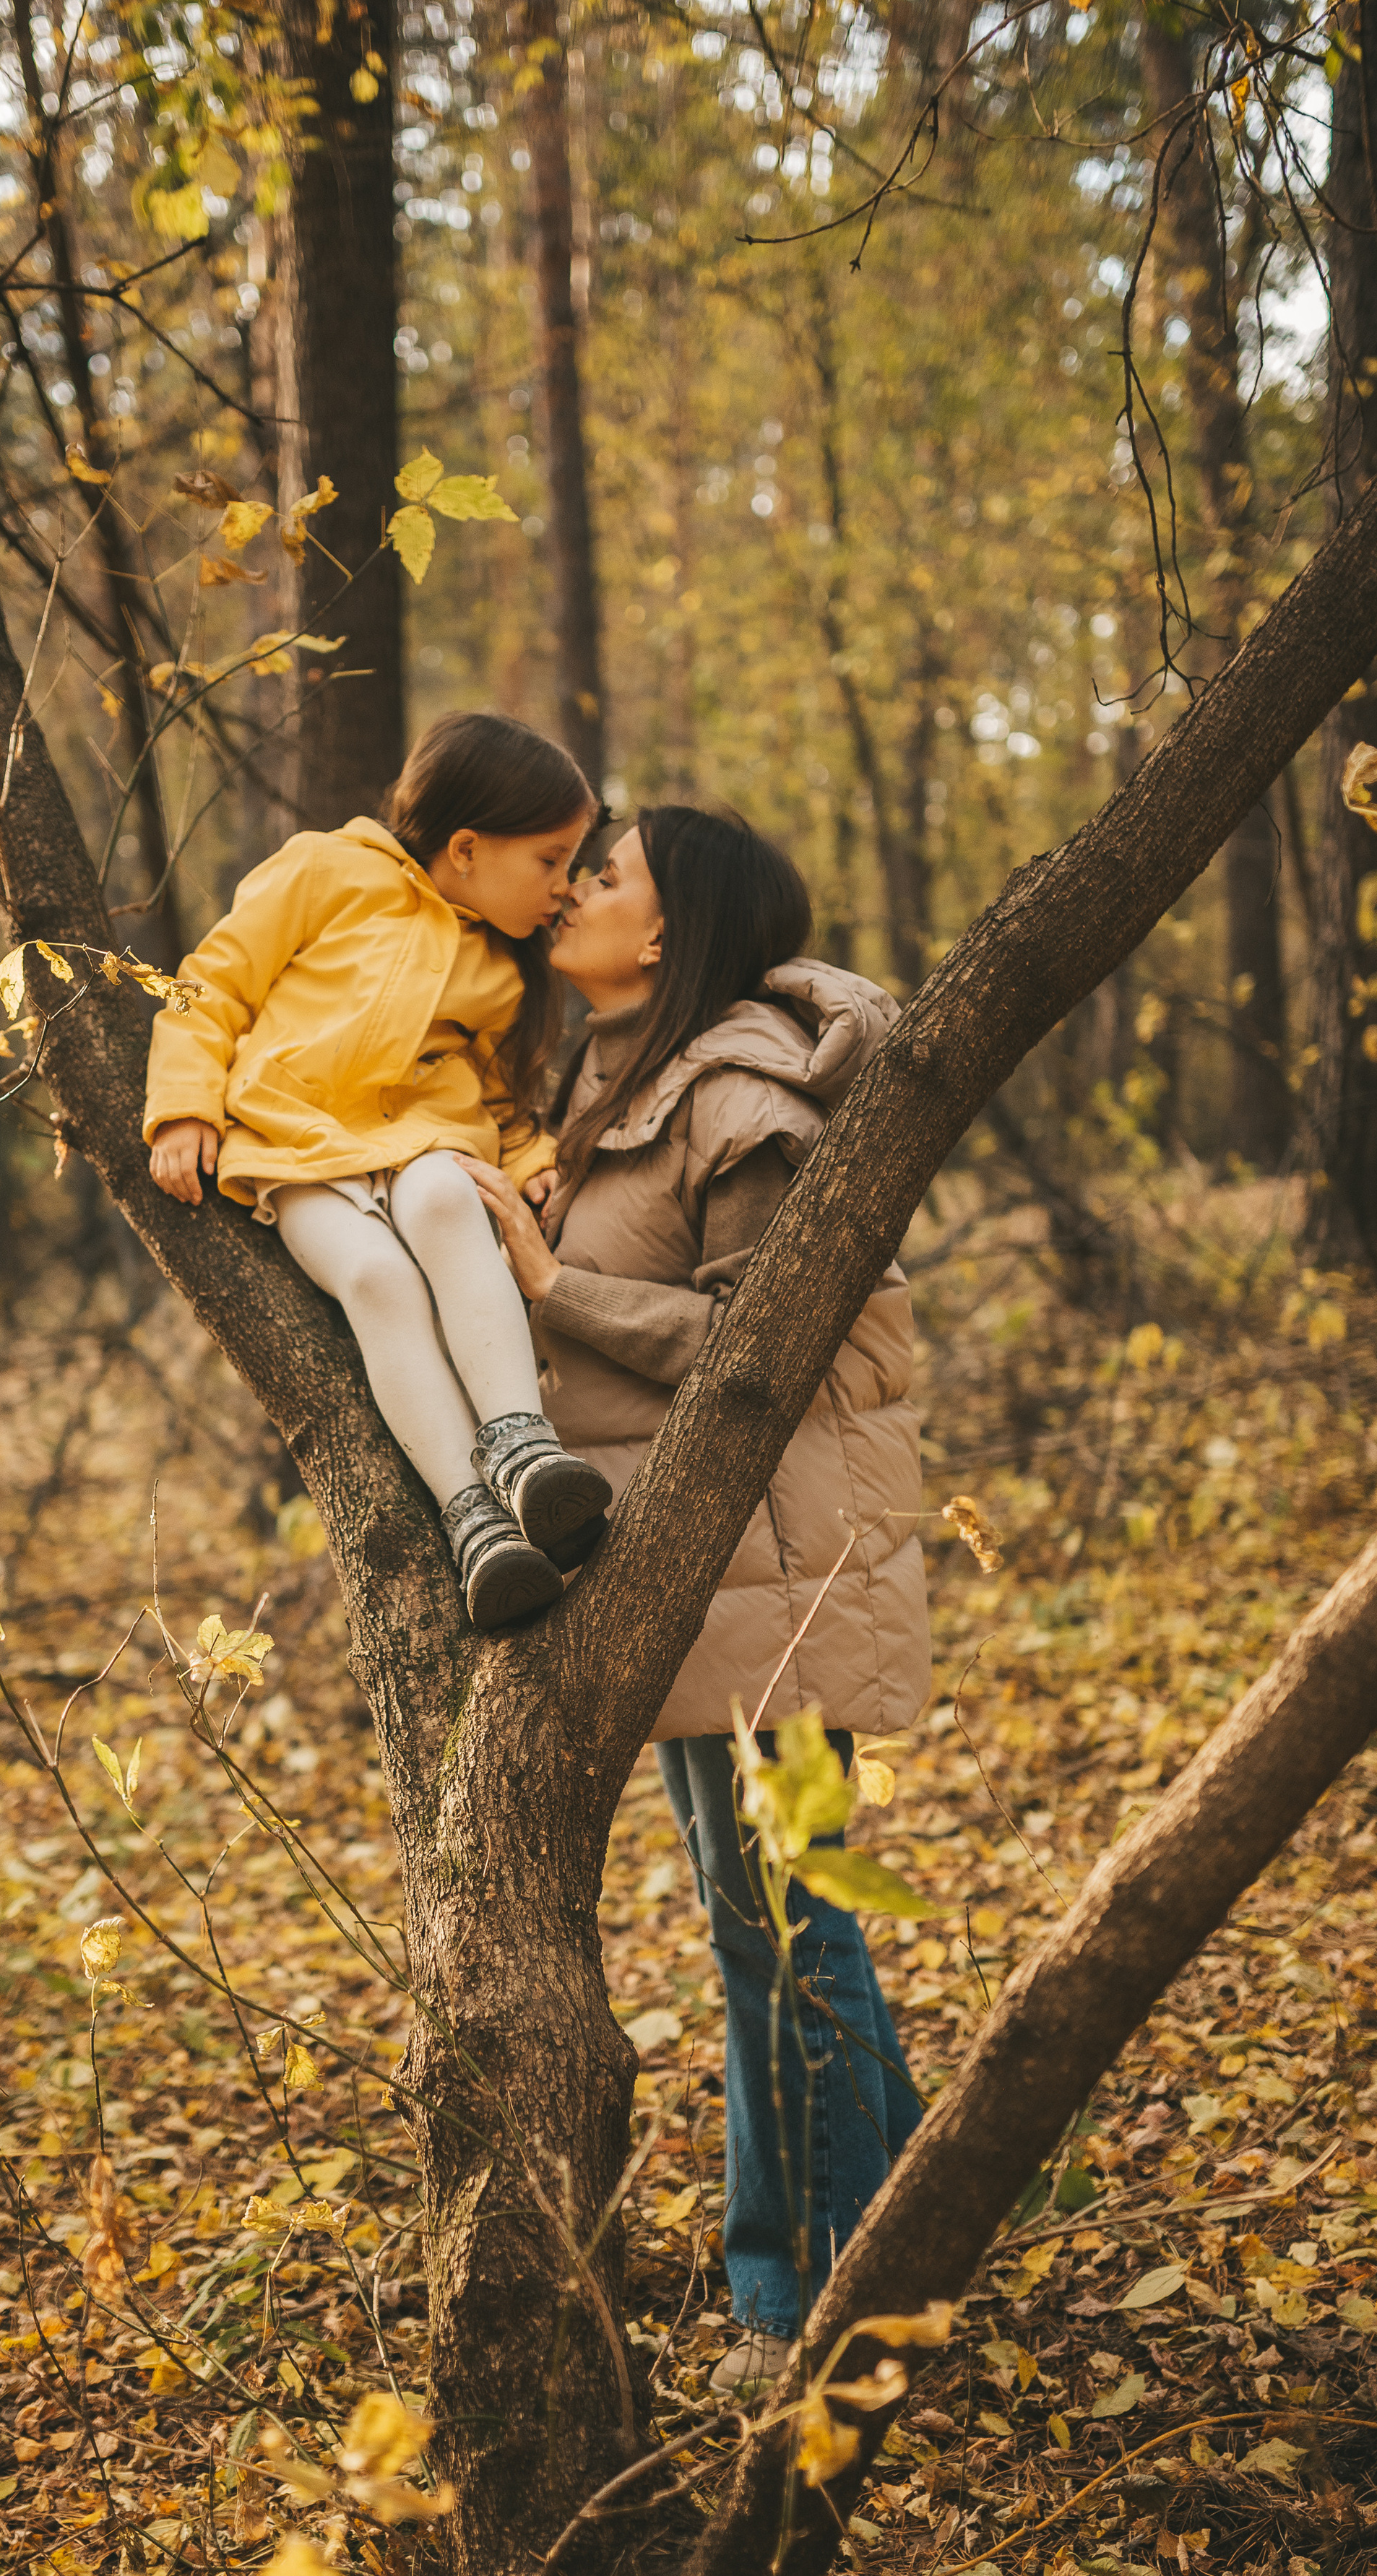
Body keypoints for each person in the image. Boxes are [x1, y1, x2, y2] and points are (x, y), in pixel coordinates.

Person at [457, 805, 931, 2390]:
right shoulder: (604, 1082)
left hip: (777, 1581)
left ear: (665, 931)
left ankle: (812, 2313)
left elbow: (763, 1345)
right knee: (772, 1930)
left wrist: (553, 1285)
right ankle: (919, 2228)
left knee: (785, 1939)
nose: (571, 887)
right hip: (698, 1577)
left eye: (605, 872)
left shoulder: (737, 1098)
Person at [144, 712, 613, 1631]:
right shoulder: (325, 869)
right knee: (374, 1279)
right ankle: (471, 1518)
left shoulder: (500, 967)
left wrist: (531, 1160)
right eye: (551, 860)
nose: (565, 886)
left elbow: (500, 1100)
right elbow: (213, 984)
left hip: (424, 1142)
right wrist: (186, 1105)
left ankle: (522, 1446)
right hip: (294, 1147)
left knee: (446, 1200)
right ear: (467, 849)